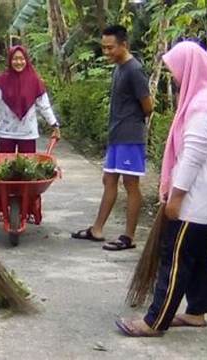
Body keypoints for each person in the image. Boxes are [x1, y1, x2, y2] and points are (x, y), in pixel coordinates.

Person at [114, 41, 207, 337]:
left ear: (190, 68)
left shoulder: (203, 106)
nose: (174, 77)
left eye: (175, 70)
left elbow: (192, 155)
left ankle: (155, 321)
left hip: (195, 198)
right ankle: (197, 311)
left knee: (176, 258)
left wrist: (176, 196)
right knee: (199, 254)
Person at [72, 25, 153, 251]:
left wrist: (130, 121)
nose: (106, 52)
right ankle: (97, 229)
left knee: (130, 184)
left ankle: (129, 237)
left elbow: (148, 106)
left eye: (111, 48)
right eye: (104, 48)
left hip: (130, 136)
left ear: (124, 45)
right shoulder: (118, 68)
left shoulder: (134, 70)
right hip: (116, 135)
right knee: (108, 180)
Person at [0, 45, 60, 154]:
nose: (18, 62)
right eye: (15, 59)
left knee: (27, 169)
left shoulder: (34, 81)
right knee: (4, 169)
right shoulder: (2, 80)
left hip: (28, 134)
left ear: (26, 60)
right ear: (10, 60)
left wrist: (54, 125)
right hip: (6, 133)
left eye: (21, 59)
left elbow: (44, 106)